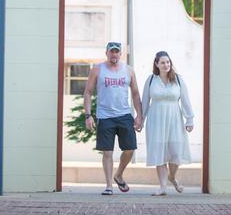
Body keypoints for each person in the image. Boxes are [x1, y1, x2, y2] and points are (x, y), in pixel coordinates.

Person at [83, 41, 143, 196]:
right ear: (106, 53)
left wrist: (139, 116)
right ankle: (109, 185)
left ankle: (119, 174)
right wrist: (88, 115)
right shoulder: (97, 69)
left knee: (130, 149)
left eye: (117, 52)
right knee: (107, 152)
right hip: (105, 116)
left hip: (124, 115)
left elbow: (136, 94)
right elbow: (88, 92)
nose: (114, 54)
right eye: (112, 51)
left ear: (120, 53)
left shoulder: (128, 70)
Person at [141, 51, 194, 196]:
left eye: (168, 62)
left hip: (174, 119)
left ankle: (172, 176)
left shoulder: (177, 79)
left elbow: (185, 100)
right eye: (163, 62)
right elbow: (144, 102)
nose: (166, 65)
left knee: (176, 152)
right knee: (159, 153)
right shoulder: (151, 80)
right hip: (156, 120)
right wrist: (140, 120)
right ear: (157, 64)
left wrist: (189, 119)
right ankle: (163, 187)